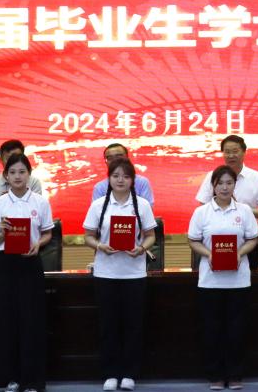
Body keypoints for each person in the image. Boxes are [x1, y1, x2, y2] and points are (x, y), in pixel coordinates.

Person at [83, 157, 158, 392]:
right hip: (106, 273)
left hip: (134, 274)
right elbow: (88, 237)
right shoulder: (99, 205)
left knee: (133, 325)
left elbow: (151, 236)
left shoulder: (142, 205)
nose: (120, 180)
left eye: (125, 176)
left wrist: (142, 248)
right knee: (108, 325)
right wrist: (100, 246)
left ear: (133, 180)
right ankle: (110, 373)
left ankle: (129, 374)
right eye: (115, 176)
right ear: (109, 179)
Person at [0, 153, 54, 392]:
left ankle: (32, 380)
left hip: (30, 264)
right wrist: (2, 232)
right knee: (8, 322)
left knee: (31, 322)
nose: (17, 176)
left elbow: (47, 233)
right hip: (6, 266)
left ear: (29, 175)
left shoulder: (40, 202)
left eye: (22, 172)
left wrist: (38, 244)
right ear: (5, 176)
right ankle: (12, 378)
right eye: (12, 172)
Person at [188, 165, 258, 390]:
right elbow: (193, 240)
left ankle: (235, 374)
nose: (225, 187)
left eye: (229, 183)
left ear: (234, 185)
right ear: (213, 186)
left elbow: (253, 239)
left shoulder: (244, 211)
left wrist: (239, 253)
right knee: (212, 330)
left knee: (237, 330)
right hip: (210, 281)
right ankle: (215, 375)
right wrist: (209, 254)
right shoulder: (202, 212)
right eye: (220, 183)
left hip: (238, 281)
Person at [195, 135, 258, 269]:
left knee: (249, 276)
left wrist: (240, 209)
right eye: (227, 152)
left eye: (235, 151)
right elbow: (202, 208)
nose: (231, 155)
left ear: (244, 152)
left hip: (248, 240)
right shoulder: (212, 177)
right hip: (217, 238)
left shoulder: (256, 178)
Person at [0, 140, 43, 272]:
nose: (13, 161)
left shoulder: (33, 182)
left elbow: (37, 213)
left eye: (17, 157)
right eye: (8, 158)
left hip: (27, 247)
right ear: (1, 160)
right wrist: (4, 202)